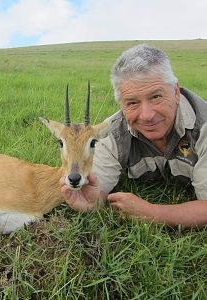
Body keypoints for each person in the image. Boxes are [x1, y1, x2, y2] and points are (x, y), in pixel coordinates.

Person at [60, 43, 207, 228]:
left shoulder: (203, 126)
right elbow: (96, 187)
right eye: (132, 103)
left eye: (155, 97)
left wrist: (150, 213)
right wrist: (91, 200)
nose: (146, 115)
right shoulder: (111, 135)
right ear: (121, 105)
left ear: (176, 92)